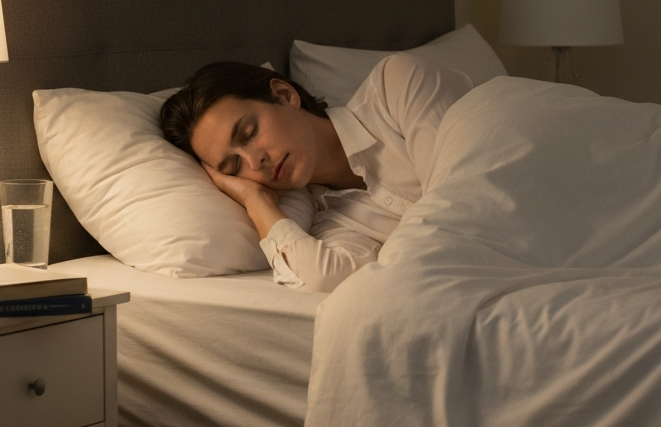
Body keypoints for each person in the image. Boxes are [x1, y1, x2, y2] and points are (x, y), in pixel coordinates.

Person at [161, 52, 471, 292]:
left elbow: (468, 205)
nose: (255, 163)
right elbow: (321, 278)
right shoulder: (330, 223)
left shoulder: (398, 87)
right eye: (235, 167)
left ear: (284, 94)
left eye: (249, 133)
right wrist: (257, 200)